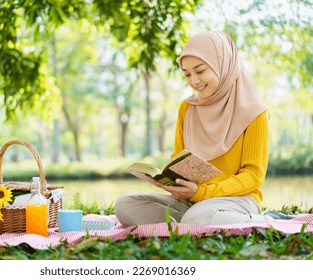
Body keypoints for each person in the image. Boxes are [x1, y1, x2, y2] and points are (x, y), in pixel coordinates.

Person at [115, 31, 293, 227]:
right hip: (192, 201)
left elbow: (253, 177)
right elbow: (178, 158)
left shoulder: (254, 113)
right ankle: (197, 224)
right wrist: (171, 182)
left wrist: (202, 193)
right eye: (187, 74)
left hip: (238, 200)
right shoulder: (187, 108)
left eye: (200, 71)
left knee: (197, 216)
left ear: (222, 65)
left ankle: (262, 220)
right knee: (125, 205)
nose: (194, 81)